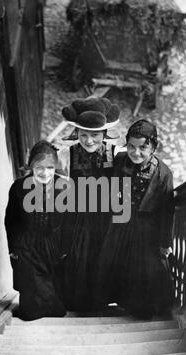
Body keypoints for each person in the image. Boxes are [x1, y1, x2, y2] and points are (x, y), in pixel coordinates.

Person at [94, 119, 175, 319]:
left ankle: (140, 308)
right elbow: (105, 175)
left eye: (142, 148)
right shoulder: (120, 160)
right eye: (131, 146)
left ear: (154, 147)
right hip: (120, 224)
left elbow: (167, 211)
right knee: (112, 262)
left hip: (146, 230)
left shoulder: (163, 174)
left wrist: (165, 242)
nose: (135, 153)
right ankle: (107, 302)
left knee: (142, 270)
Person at [60, 97, 121, 311]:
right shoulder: (66, 154)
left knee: (104, 258)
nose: (88, 141)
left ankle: (101, 302)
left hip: (106, 217)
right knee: (78, 258)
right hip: (79, 218)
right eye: (83, 135)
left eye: (94, 135)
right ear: (76, 134)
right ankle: (77, 302)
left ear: (104, 134)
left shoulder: (115, 154)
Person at [4, 140, 67, 320]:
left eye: (50, 168)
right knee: (29, 300)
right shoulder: (18, 188)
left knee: (51, 282)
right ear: (31, 166)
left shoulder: (64, 187)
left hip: (52, 243)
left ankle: (52, 308)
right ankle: (33, 309)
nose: (45, 173)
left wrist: (64, 248)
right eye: (39, 167)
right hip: (26, 243)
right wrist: (13, 249)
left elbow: (70, 222)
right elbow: (11, 220)